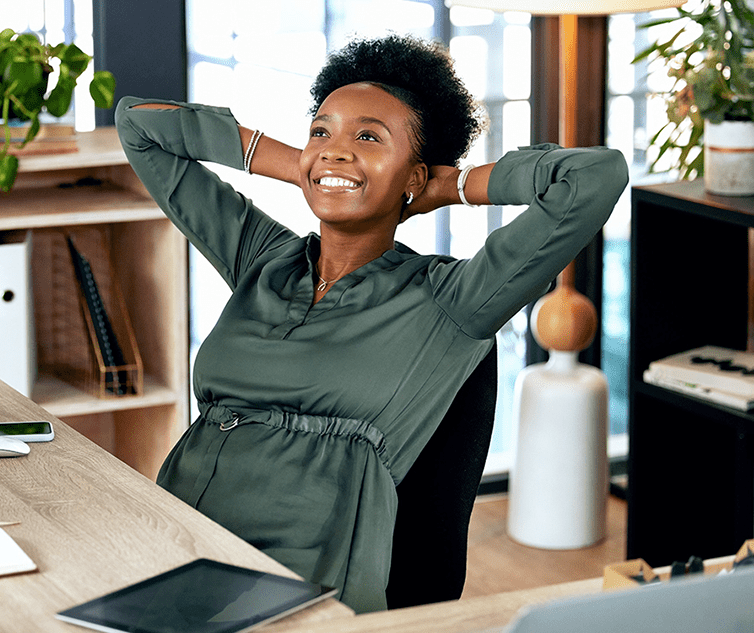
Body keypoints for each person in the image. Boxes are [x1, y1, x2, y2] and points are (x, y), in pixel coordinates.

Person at [115, 34, 628, 614]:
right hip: (175, 537)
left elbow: (594, 177)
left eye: (367, 137)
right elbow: (139, 125)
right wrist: (302, 165)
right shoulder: (262, 258)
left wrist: (453, 185)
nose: (336, 148)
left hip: (304, 579)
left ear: (415, 177)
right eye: (321, 130)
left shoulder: (452, 300)